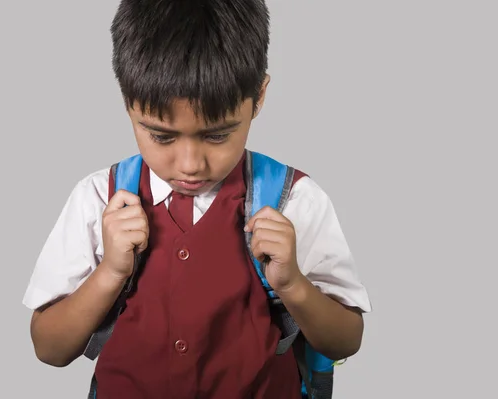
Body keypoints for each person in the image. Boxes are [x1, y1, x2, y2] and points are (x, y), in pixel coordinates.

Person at [22, 0, 372, 397]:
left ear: (258, 96)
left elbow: (346, 341)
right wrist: (110, 273)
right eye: (162, 136)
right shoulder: (97, 199)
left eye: (217, 135)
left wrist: (292, 283)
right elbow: (49, 348)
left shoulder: (293, 199)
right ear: (127, 101)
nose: (190, 165)